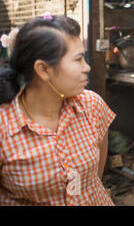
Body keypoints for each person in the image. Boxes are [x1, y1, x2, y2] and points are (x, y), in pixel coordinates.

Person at [0, 14, 115, 206]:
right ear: (44, 70)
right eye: (78, 60)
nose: (86, 67)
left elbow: (95, 177)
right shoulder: (5, 127)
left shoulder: (91, 105)